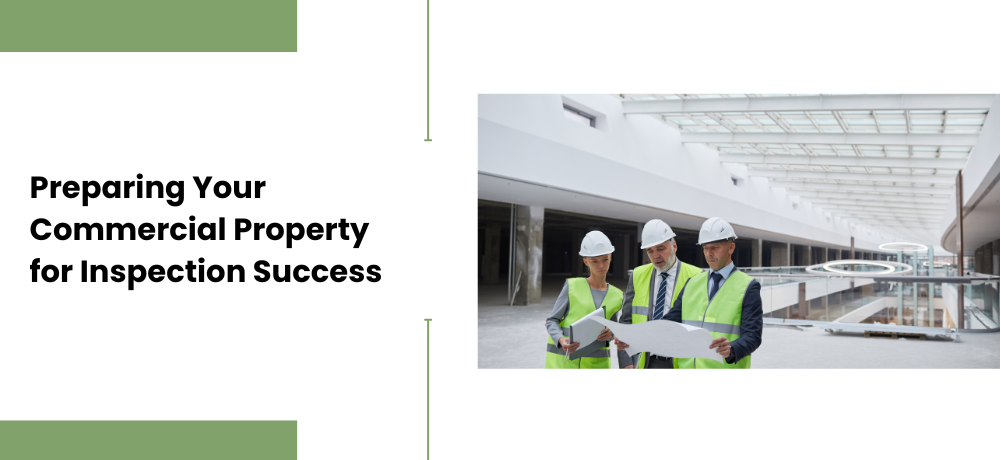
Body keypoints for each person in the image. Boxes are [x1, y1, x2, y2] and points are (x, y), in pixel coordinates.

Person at [665, 217, 763, 368]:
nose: (709, 253)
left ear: (731, 248)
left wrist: (732, 349)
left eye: (715, 247)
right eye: (705, 248)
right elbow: (669, 323)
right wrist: (637, 337)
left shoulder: (748, 287)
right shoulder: (692, 283)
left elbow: (753, 336)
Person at [614, 219, 703, 369]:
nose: (655, 256)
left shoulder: (697, 276)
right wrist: (626, 362)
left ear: (674, 246)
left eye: (661, 248)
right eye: (650, 251)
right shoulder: (637, 275)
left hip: (681, 361)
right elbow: (626, 322)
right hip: (646, 360)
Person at [544, 230, 623, 369]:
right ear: (585, 261)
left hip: (598, 365)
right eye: (594, 261)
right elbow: (552, 320)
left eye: (605, 259)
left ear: (611, 257)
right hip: (566, 364)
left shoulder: (617, 295)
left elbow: (613, 329)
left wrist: (610, 334)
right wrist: (561, 340)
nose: (601, 265)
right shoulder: (572, 286)